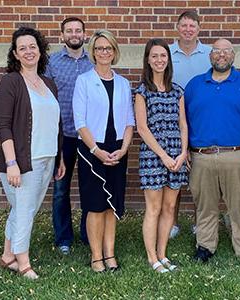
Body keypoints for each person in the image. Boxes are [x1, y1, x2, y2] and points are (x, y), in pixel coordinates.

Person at [186, 38, 240, 265]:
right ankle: (205, 246)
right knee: (205, 206)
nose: (221, 55)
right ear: (210, 56)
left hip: (238, 154)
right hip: (201, 155)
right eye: (216, 51)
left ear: (233, 56)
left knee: (238, 207)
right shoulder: (195, 85)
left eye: (226, 51)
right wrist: (186, 152)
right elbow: (185, 121)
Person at [0, 27, 66, 280]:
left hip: (47, 157)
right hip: (23, 161)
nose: (28, 51)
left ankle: (7, 256)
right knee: (25, 210)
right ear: (15, 53)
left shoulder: (48, 83)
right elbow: (3, 125)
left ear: (40, 50)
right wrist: (12, 162)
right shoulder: (11, 81)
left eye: (32, 46)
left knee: (24, 209)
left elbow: (55, 123)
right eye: (22, 47)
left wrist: (59, 158)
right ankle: (23, 262)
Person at [72, 30, 135, 273]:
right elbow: (80, 122)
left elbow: (130, 120)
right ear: (93, 52)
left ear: (115, 51)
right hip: (92, 150)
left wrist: (124, 149)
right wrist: (96, 150)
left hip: (118, 150)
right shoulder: (84, 81)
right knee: (96, 205)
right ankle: (96, 256)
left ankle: (110, 254)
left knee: (112, 206)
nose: (104, 52)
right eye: (99, 48)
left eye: (108, 48)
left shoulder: (123, 83)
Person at [134, 39, 189, 273]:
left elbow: (183, 124)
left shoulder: (177, 90)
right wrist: (164, 156)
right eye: (154, 56)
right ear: (148, 59)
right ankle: (152, 257)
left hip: (177, 156)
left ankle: (163, 253)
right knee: (154, 208)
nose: (159, 60)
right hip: (153, 156)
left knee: (169, 208)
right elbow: (142, 128)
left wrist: (183, 152)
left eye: (163, 56)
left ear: (168, 59)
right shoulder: (141, 91)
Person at [46, 16, 93, 255]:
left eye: (78, 30)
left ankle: (88, 234)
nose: (74, 34)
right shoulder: (51, 62)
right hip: (62, 134)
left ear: (85, 34)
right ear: (62, 35)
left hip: (89, 136)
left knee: (89, 186)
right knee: (61, 188)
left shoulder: (95, 60)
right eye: (69, 30)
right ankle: (63, 237)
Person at [168, 10, 212, 239]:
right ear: (177, 27)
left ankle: (199, 222)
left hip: (201, 121)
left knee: (199, 176)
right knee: (174, 173)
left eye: (192, 26)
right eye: (183, 25)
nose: (188, 30)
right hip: (171, 122)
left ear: (198, 28)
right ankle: (172, 223)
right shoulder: (167, 52)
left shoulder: (209, 54)